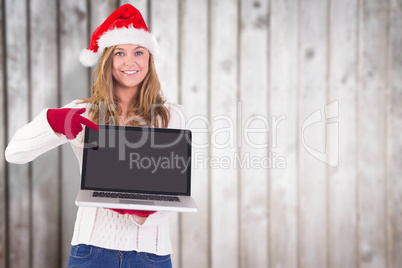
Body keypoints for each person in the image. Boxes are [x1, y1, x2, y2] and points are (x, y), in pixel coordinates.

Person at [5, 4, 185, 268]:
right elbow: (14, 153)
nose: (129, 62)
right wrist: (54, 121)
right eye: (119, 53)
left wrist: (143, 211)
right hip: (91, 252)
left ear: (149, 58)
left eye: (138, 52)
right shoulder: (84, 111)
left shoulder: (169, 116)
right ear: (107, 59)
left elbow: (178, 187)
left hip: (151, 254)